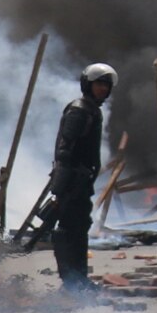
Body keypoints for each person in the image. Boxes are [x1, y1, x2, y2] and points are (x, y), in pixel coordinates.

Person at [49, 62, 117, 292]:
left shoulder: (91, 110)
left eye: (107, 85)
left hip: (81, 182)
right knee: (68, 230)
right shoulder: (79, 110)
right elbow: (64, 149)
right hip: (71, 182)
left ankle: (79, 279)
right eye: (99, 84)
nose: (103, 89)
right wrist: (66, 183)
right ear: (88, 85)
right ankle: (70, 282)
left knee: (79, 228)